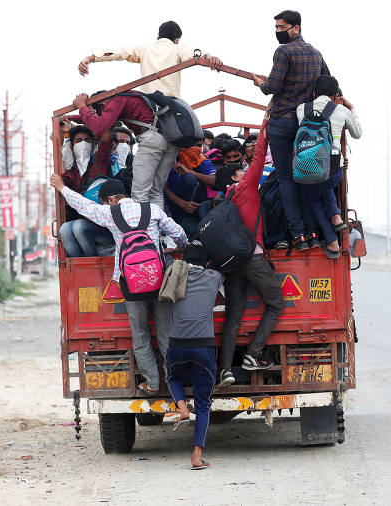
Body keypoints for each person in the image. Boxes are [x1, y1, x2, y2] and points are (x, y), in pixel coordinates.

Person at [50, 174, 188, 396]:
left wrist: (62, 188)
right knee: (166, 335)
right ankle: (175, 385)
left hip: (131, 284)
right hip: (159, 280)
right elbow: (178, 233)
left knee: (140, 334)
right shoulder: (152, 210)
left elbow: (83, 206)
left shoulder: (109, 214)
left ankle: (152, 383)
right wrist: (179, 247)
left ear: (111, 200)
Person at [253, 9, 330, 250]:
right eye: (276, 28)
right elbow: (327, 82)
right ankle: (314, 232)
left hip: (281, 121)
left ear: (296, 28)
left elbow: (273, 86)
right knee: (304, 178)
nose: (278, 32)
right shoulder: (316, 54)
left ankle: (298, 235)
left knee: (286, 178)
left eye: (282, 27)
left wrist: (261, 84)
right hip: (305, 126)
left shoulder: (283, 51)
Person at [216, 119, 284, 387]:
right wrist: (266, 123)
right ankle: (253, 355)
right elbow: (258, 154)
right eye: (241, 170)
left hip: (232, 264)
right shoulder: (246, 187)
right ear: (235, 176)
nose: (246, 170)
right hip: (253, 258)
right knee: (276, 302)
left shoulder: (226, 199)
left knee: (233, 315)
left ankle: (225, 369)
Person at [165, 242, 222, 470]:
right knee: (204, 404)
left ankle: (182, 408)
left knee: (172, 377)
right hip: (203, 348)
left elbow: (168, 261)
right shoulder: (214, 277)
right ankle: (196, 456)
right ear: (206, 263)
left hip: (177, 346)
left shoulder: (172, 275)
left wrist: (170, 253)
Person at [69, 91, 174, 208]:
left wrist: (82, 107)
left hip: (152, 139)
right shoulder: (125, 98)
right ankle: (156, 224)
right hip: (169, 139)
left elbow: (99, 127)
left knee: (139, 193)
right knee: (155, 191)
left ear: (103, 104)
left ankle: (142, 226)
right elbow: (97, 122)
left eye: (99, 112)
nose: (100, 116)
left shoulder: (116, 100)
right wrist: (70, 117)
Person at [296, 75, 362, 257]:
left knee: (314, 193)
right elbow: (357, 134)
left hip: (307, 167)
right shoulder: (341, 111)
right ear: (335, 95)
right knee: (324, 183)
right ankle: (335, 221)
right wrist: (351, 107)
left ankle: (332, 236)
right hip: (334, 170)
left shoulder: (302, 109)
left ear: (314, 93)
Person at [77, 21, 222, 96]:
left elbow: (119, 52)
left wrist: (92, 58)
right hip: (170, 103)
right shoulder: (178, 48)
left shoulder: (144, 49)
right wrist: (209, 57)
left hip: (147, 102)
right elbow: (194, 56)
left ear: (158, 37)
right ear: (177, 39)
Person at [58, 123, 117, 257]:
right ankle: (79, 269)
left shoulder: (99, 163)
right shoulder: (73, 172)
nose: (83, 144)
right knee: (64, 229)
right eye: (79, 141)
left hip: (105, 227)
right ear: (72, 146)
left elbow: (106, 138)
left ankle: (93, 264)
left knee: (79, 226)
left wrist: (94, 116)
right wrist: (64, 135)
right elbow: (62, 177)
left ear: (92, 145)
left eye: (87, 140)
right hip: (85, 225)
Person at [164, 146, 216, 236]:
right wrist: (182, 203)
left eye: (199, 145)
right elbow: (162, 188)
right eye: (193, 145)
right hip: (174, 210)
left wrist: (190, 172)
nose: (197, 149)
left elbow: (215, 180)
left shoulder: (203, 161)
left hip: (195, 211)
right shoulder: (170, 163)